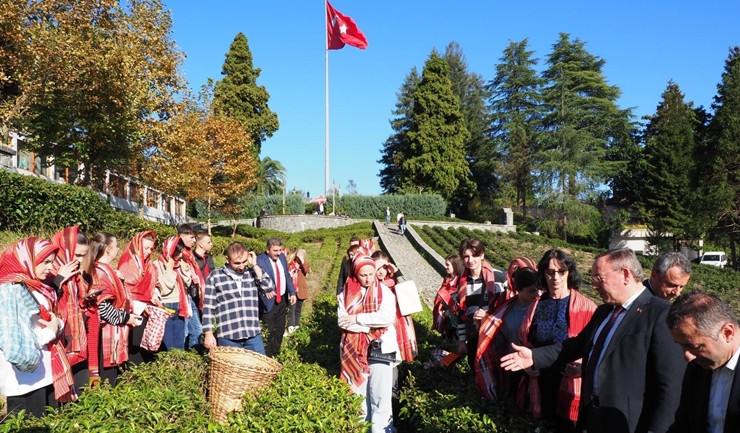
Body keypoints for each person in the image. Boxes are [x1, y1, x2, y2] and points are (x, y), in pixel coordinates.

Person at [501, 248, 686, 433]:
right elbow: (575, 346)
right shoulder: (604, 312)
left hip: (629, 423)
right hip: (593, 417)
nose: (594, 286)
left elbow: (671, 387)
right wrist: (534, 356)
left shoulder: (660, 313)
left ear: (625, 274)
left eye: (599, 278)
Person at [517, 249, 596, 432]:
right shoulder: (536, 304)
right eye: (550, 272)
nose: (556, 277)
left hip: (569, 381)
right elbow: (525, 339)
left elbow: (595, 346)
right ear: (543, 274)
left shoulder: (586, 307)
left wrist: (581, 369)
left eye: (562, 272)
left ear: (569, 273)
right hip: (539, 380)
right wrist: (527, 365)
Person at [0, 238, 77, 417]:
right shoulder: (11, 290)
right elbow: (13, 337)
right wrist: (52, 330)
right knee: (28, 421)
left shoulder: (35, 286)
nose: (51, 267)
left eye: (52, 261)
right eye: (46, 262)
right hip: (24, 377)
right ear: (27, 259)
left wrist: (56, 325)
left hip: (42, 370)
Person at [338, 256, 398, 433]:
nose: (368, 278)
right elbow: (342, 322)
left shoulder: (385, 293)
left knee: (381, 396)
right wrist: (371, 326)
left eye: (371, 274)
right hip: (354, 351)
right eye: (363, 275)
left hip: (381, 350)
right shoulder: (345, 294)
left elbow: (387, 318)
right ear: (356, 274)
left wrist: (358, 319)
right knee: (358, 395)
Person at [666, 291, 740, 433]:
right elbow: (684, 424)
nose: (687, 356)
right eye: (680, 345)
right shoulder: (697, 368)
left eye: (695, 346)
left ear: (727, 333)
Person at [84, 233, 142, 387]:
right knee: (108, 380)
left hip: (112, 331)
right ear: (109, 249)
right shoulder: (101, 273)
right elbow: (102, 307)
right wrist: (126, 318)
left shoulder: (105, 270)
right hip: (106, 333)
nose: (118, 249)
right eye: (116, 246)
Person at [474, 265, 538, 402]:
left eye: (538, 289)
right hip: (510, 364)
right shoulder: (506, 308)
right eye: (531, 291)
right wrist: (482, 323)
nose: (536, 294)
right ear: (518, 290)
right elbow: (495, 335)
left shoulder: (540, 308)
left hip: (533, 364)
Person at [202, 242, 274, 354]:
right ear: (227, 259)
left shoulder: (252, 273)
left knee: (259, 370)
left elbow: (269, 287)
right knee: (231, 371)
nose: (241, 266)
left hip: (253, 335)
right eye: (237, 263)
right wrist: (208, 333)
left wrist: (254, 265)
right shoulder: (216, 276)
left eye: (244, 261)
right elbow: (208, 308)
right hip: (229, 336)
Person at [49, 227, 90, 391]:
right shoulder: (49, 270)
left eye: (83, 256)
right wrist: (58, 281)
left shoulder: (74, 272)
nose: (80, 260)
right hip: (58, 337)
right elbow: (43, 301)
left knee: (80, 384)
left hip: (75, 334)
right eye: (77, 255)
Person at [455, 238, 506, 369]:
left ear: (482, 255)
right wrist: (462, 341)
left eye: (474, 255)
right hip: (474, 337)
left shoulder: (499, 278)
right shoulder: (461, 284)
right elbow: (460, 313)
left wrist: (488, 315)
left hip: (497, 336)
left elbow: (507, 308)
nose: (470, 260)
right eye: (466, 256)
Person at [117, 230, 159, 364]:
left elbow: (154, 284)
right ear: (137, 246)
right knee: (134, 346)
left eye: (151, 248)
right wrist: (140, 305)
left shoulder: (149, 265)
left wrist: (154, 295)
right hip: (133, 310)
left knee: (145, 345)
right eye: (145, 248)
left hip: (147, 310)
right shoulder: (127, 263)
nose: (148, 251)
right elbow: (124, 290)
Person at [372, 251, 417, 362]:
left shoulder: (394, 281)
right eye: (378, 268)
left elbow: (408, 286)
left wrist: (396, 271)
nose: (381, 271)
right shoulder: (372, 283)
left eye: (384, 267)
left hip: (398, 316)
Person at [257, 238, 297, 358]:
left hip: (282, 299)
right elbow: (256, 280)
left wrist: (292, 292)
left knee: (280, 330)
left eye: (280, 250)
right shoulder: (260, 260)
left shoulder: (282, 258)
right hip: (268, 301)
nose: (278, 253)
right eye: (275, 251)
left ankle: (276, 354)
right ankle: (267, 357)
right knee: (269, 331)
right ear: (267, 249)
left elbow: (286, 276)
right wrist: (264, 290)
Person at [153, 236, 192, 351]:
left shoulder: (178, 264)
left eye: (181, 252)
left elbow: (188, 283)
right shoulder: (156, 265)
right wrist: (169, 270)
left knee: (179, 343)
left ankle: (178, 366)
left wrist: (184, 268)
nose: (180, 255)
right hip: (166, 306)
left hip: (179, 305)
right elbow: (164, 289)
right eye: (178, 252)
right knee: (167, 343)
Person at [178, 224, 203, 351]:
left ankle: (192, 356)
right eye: (192, 237)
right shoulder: (177, 253)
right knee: (183, 333)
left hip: (190, 297)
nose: (194, 241)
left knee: (197, 331)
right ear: (182, 236)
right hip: (181, 297)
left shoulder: (189, 254)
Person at [432, 254, 465, 338]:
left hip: (453, 313)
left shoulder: (460, 281)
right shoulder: (447, 278)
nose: (445, 267)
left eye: (448, 265)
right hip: (444, 310)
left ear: (455, 265)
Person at [287, 248, 311, 334]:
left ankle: (297, 325)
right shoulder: (290, 264)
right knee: (291, 308)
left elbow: (306, 270)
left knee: (298, 309)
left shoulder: (305, 264)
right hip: (292, 290)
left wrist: (302, 261)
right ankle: (291, 326)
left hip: (301, 290)